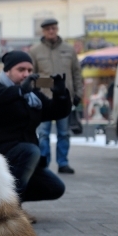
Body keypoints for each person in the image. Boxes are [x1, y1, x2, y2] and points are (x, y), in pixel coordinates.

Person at [0, 51, 70, 209]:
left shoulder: (32, 96)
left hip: (23, 158)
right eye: (21, 70)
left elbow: (55, 112)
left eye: (29, 70)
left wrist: (61, 95)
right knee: (30, 151)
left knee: (55, 187)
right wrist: (19, 91)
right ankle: (11, 209)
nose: (26, 74)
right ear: (7, 71)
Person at [30, 18, 82, 174]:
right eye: (47, 29)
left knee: (64, 133)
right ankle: (44, 163)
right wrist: (50, 86)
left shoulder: (69, 49)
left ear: (57, 29)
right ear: (43, 32)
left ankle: (63, 163)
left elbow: (76, 73)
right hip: (44, 99)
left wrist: (78, 92)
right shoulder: (35, 51)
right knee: (44, 133)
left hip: (64, 99)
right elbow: (32, 76)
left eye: (53, 28)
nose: (51, 31)